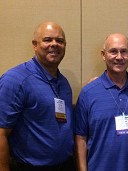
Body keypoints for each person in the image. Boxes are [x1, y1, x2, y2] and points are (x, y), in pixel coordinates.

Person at [74, 33, 128, 171]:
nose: (119, 57)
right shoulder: (88, 93)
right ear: (103, 55)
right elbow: (80, 138)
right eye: (113, 51)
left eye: (124, 51)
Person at [0, 21, 75, 171]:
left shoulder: (64, 83)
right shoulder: (15, 80)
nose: (54, 44)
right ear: (35, 45)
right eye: (47, 40)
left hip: (65, 165)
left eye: (59, 41)